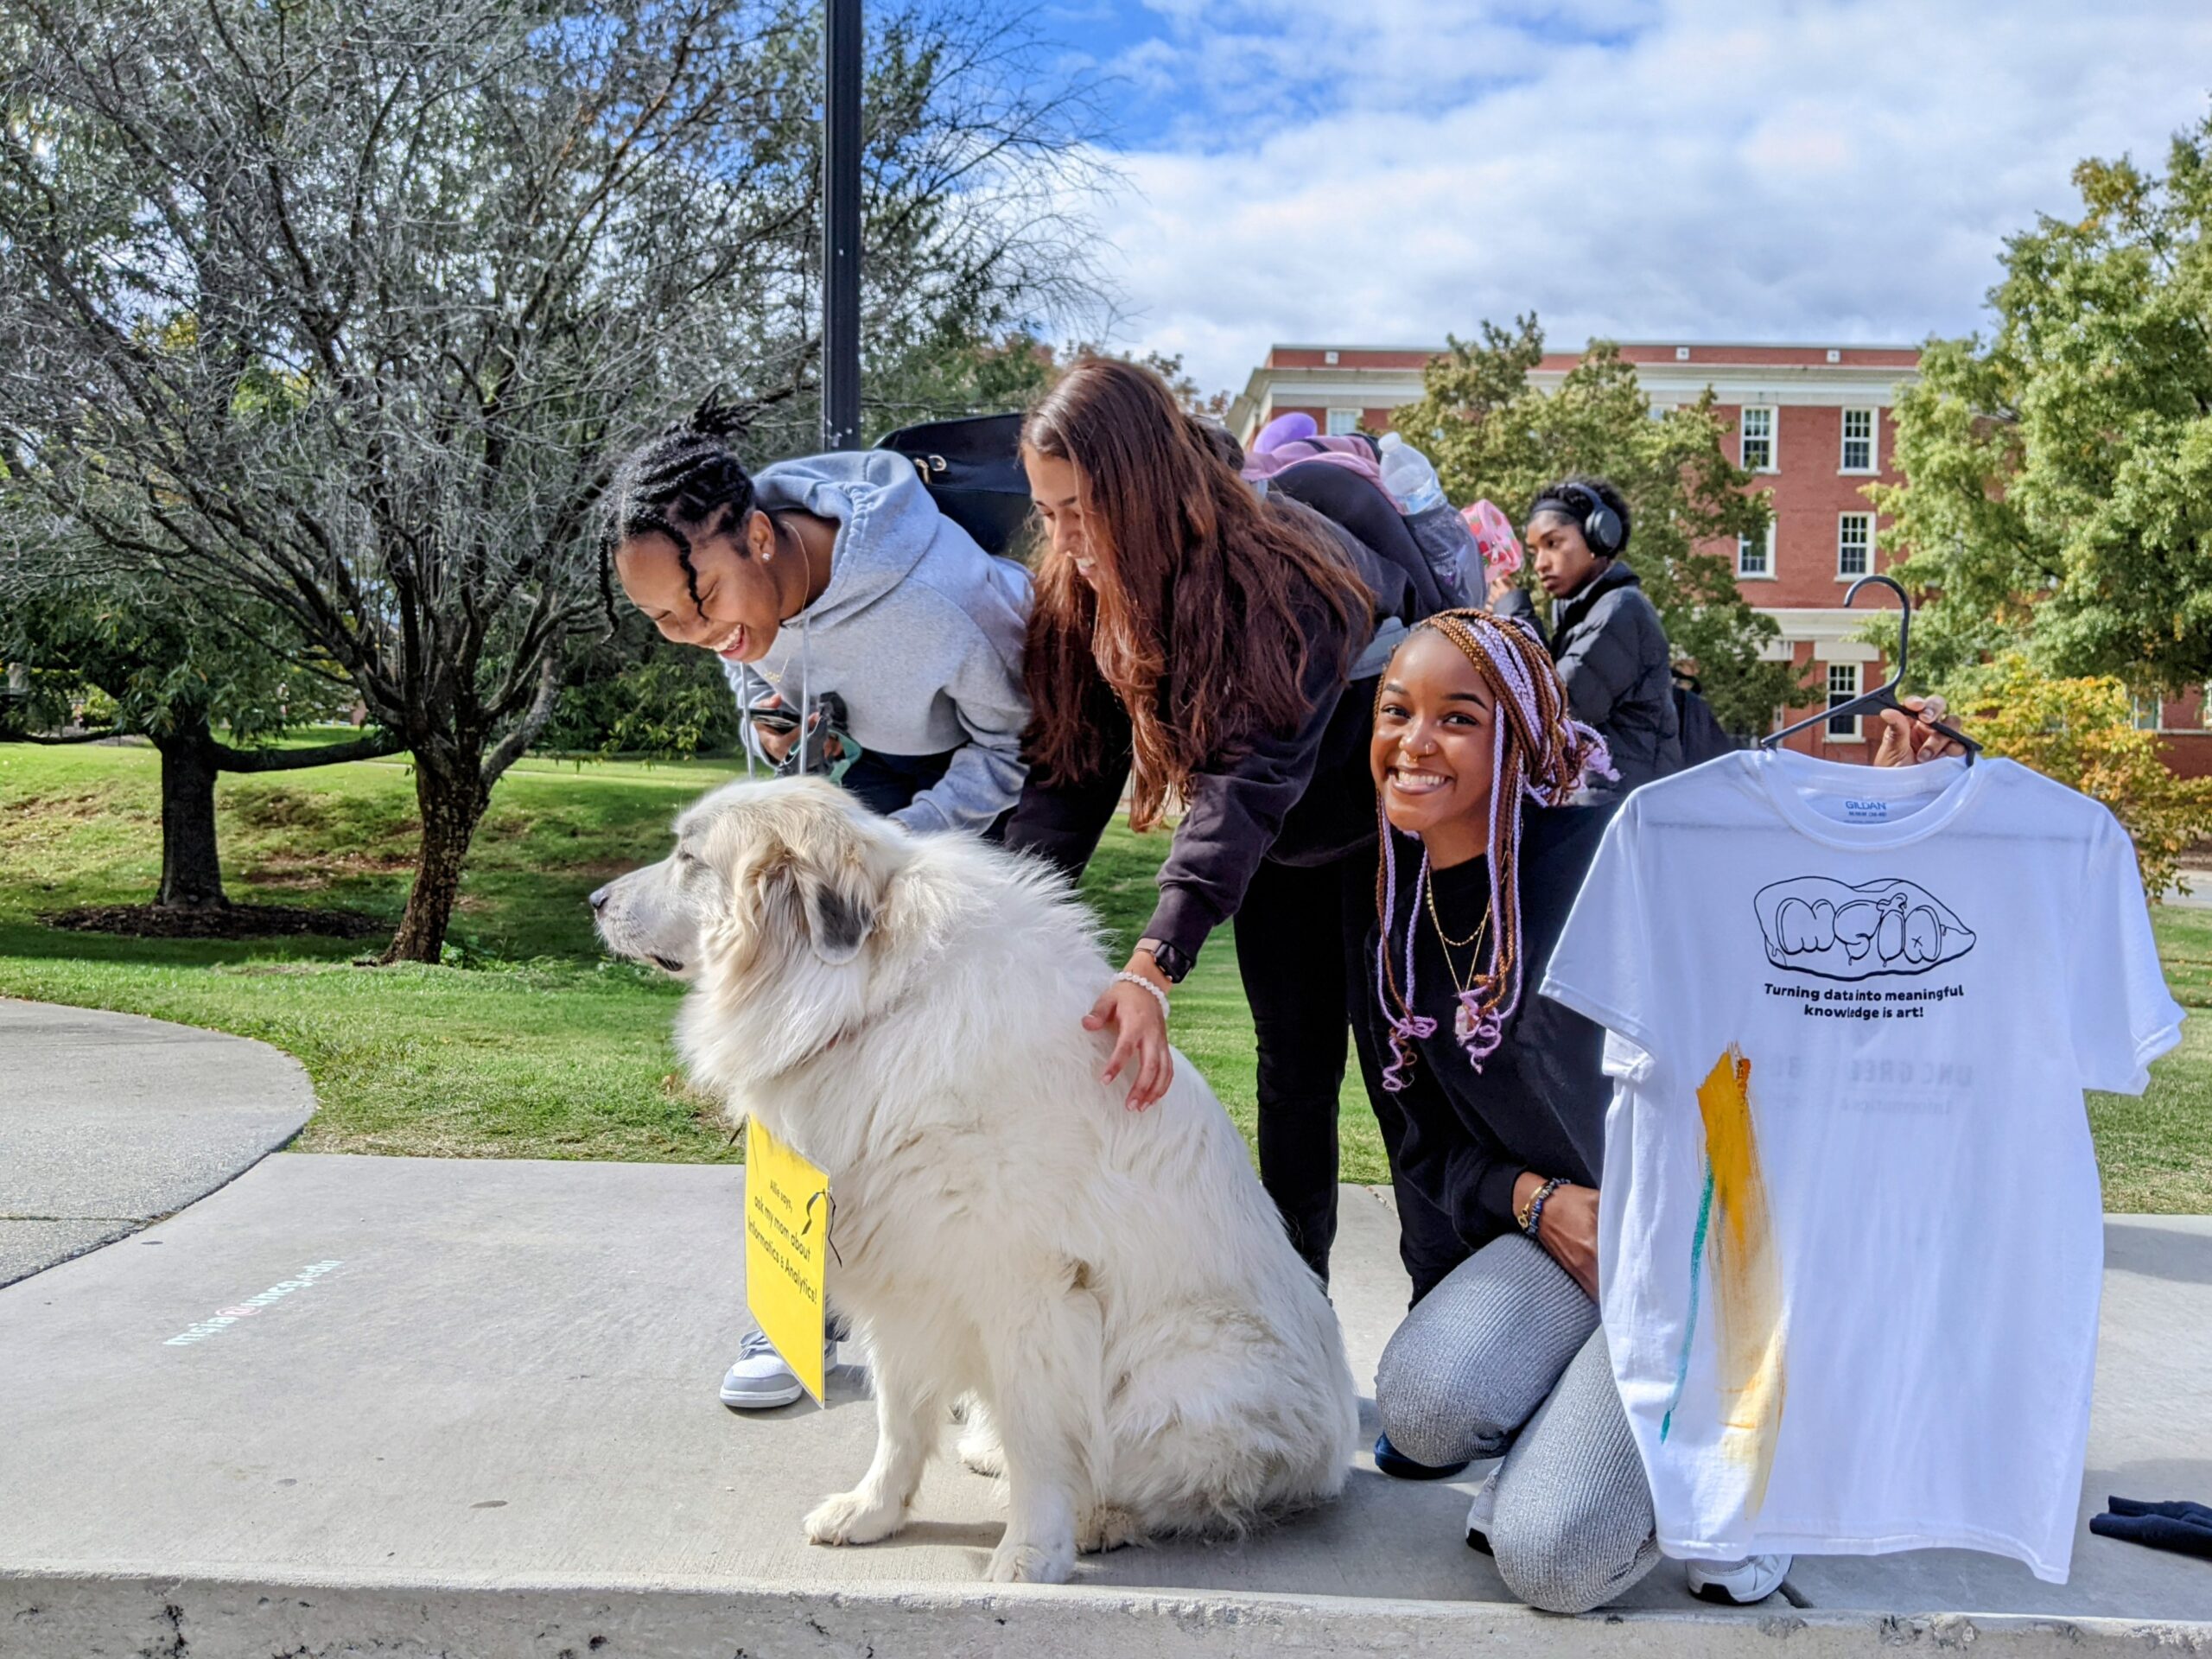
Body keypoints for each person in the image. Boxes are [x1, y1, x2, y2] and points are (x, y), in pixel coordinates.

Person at [1363, 606, 1961, 1609]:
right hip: (1577, 1234)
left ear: (1524, 733)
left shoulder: (1621, 850)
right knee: (1422, 1405)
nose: (1415, 744)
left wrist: (1888, 821)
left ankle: (1760, 1471)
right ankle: (1591, 1430)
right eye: (1395, 711)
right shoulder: (1390, 908)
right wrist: (1532, 1200)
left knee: (1552, 1560)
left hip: (1713, 1244)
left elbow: (1802, 945)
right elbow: (1423, 1142)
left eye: (1457, 718)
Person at [603, 400, 1033, 1409]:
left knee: (918, 1084)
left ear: (757, 536)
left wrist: (888, 856)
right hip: (846, 792)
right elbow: (769, 717)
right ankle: (791, 1316)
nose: (697, 635)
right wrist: (783, 723)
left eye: (699, 600)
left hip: (948, 811)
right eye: (666, 621)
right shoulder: (733, 583)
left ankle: (963, 1329)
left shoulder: (945, 601)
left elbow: (1017, 749)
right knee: (779, 1042)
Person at [1004, 356, 1458, 1290]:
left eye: (1081, 509)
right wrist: (993, 919)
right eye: (1046, 513)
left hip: (1389, 834)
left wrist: (1155, 962)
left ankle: (1441, 1324)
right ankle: (1299, 1319)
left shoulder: (1277, 566)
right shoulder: (1081, 587)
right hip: (1282, 852)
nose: (1066, 537)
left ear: (1139, 485)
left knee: (1400, 1079)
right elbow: (1071, 774)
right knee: (1291, 1074)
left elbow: (1246, 778)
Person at [1491, 477, 1681, 796]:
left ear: (1598, 539)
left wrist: (1515, 618)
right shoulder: (1582, 614)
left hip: (1623, 811)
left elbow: (1557, 710)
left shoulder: (1622, 611)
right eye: (1535, 551)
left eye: (1553, 544)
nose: (1540, 564)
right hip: (1601, 802)